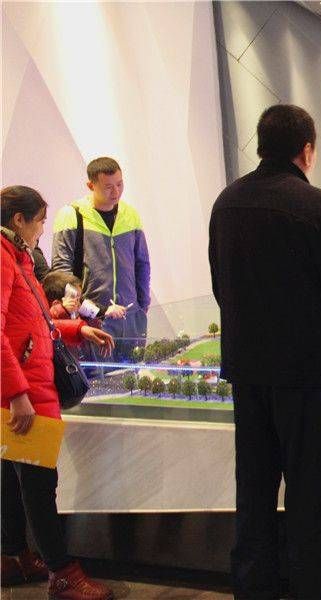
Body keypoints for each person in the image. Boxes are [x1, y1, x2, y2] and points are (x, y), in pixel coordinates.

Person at [208, 104, 321, 599]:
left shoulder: (226, 203)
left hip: (246, 370)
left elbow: (221, 285)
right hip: (304, 374)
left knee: (254, 488)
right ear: (307, 150)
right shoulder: (320, 208)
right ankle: (314, 588)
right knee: (312, 492)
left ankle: (254, 587)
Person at [2, 185, 115, 600]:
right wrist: (17, 393)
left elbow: (33, 321)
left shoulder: (18, 258)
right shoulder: (5, 258)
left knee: (12, 480)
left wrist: (76, 329)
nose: (41, 230)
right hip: (26, 392)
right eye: (39, 222)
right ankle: (63, 574)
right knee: (38, 484)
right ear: (19, 220)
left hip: (26, 386)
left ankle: (13, 555)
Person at [51, 157, 151, 362]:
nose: (116, 192)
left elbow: (142, 263)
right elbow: (61, 274)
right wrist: (93, 311)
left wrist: (142, 305)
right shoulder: (72, 215)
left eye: (120, 184)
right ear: (91, 185)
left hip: (131, 318)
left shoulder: (130, 214)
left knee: (133, 375)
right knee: (99, 378)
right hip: (91, 321)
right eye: (108, 187)